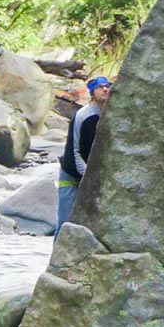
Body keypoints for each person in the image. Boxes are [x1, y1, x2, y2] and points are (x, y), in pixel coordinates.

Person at [56, 75, 112, 233]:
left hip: (91, 175)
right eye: (100, 87)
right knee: (65, 223)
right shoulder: (83, 116)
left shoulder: (108, 115)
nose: (105, 89)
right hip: (72, 174)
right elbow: (74, 152)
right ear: (92, 93)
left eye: (107, 86)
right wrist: (88, 177)